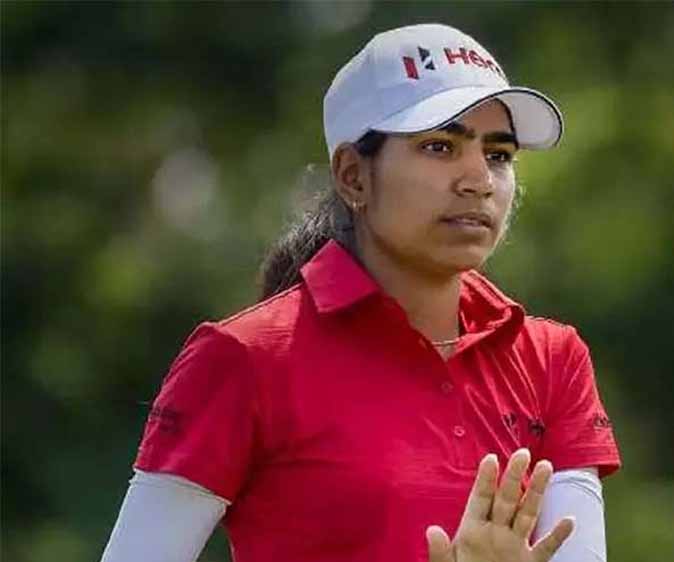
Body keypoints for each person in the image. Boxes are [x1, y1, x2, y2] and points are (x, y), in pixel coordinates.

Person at [100, 23, 620, 562]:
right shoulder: (242, 357)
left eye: (499, 155)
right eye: (439, 147)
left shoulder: (552, 359)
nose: (479, 180)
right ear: (353, 176)